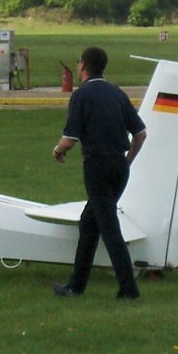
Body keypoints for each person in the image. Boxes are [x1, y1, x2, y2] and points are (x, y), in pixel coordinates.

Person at [50, 45, 147, 300]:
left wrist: (58, 151)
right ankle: (76, 285)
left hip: (97, 167)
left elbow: (69, 139)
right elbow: (140, 133)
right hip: (119, 166)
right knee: (89, 223)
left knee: (109, 228)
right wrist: (128, 160)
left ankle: (129, 289)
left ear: (82, 65)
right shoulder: (117, 93)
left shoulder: (82, 96)